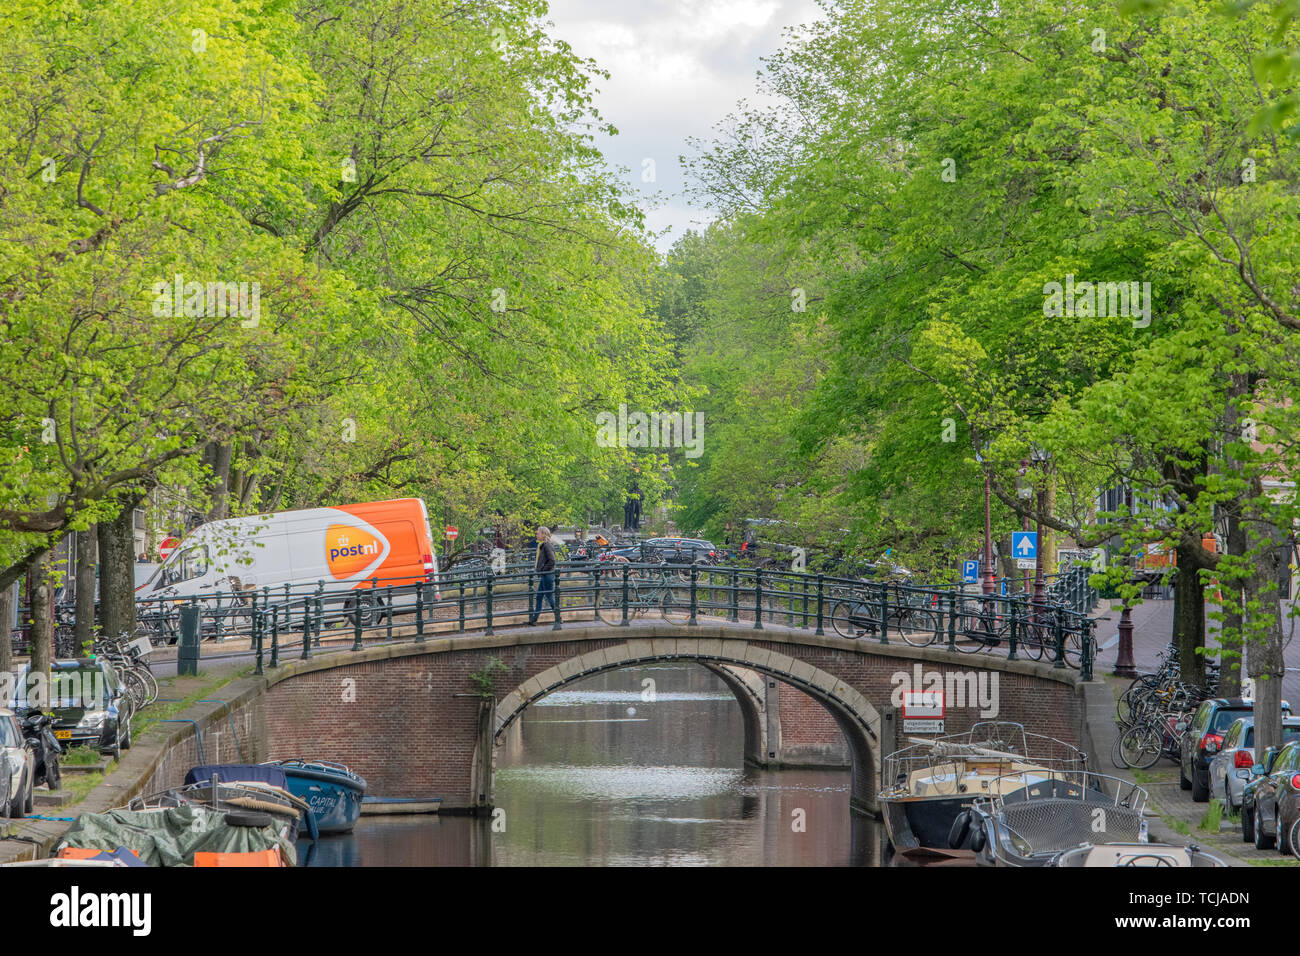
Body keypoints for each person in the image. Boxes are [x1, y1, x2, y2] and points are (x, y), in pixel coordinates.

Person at [528, 526, 558, 625]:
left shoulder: (546, 545)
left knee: (549, 596)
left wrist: (543, 570)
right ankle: (534, 620)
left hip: (547, 575)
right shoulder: (542, 545)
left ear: (543, 534)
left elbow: (552, 560)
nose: (536, 535)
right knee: (539, 596)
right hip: (545, 574)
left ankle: (558, 617)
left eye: (538, 533)